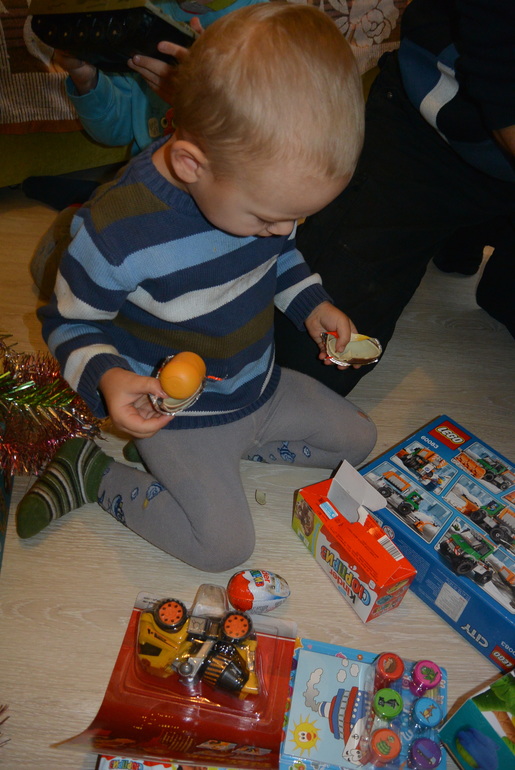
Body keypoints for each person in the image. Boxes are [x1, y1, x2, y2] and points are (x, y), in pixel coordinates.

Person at [16, 3, 376, 572]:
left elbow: (279, 254)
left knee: (360, 440)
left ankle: (213, 461)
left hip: (259, 387)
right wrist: (109, 379)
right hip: (177, 414)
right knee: (224, 547)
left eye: (297, 217)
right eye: (269, 217)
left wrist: (312, 304)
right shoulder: (117, 230)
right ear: (190, 164)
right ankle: (89, 471)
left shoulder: (256, 197)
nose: (284, 230)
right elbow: (68, 322)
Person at [274, 0, 515, 397]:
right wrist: (309, 301)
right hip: (435, 131)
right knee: (302, 371)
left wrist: (310, 301)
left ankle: (471, 250)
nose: (278, 228)